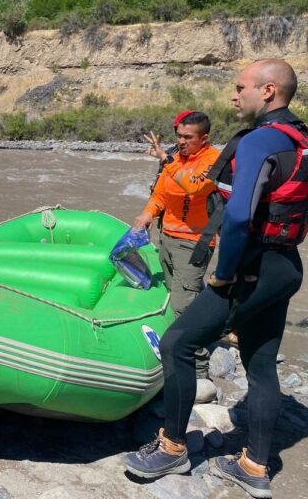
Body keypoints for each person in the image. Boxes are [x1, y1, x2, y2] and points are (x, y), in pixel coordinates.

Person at [125, 59, 305, 499]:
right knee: (261, 365)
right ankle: (253, 466)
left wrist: (223, 276)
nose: (233, 94)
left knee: (176, 343)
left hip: (251, 267)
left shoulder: (261, 139)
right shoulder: (301, 139)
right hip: (285, 265)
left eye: (240, 86)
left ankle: (172, 447)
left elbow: (241, 214)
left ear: (267, 92)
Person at [133, 111, 220, 378]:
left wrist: (165, 159)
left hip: (195, 242)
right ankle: (179, 347)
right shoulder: (174, 158)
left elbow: (194, 187)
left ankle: (199, 367)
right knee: (176, 296)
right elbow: (161, 194)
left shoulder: (214, 160)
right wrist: (147, 214)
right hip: (167, 238)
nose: (181, 141)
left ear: (204, 138)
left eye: (188, 137)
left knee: (183, 304)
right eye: (179, 135)